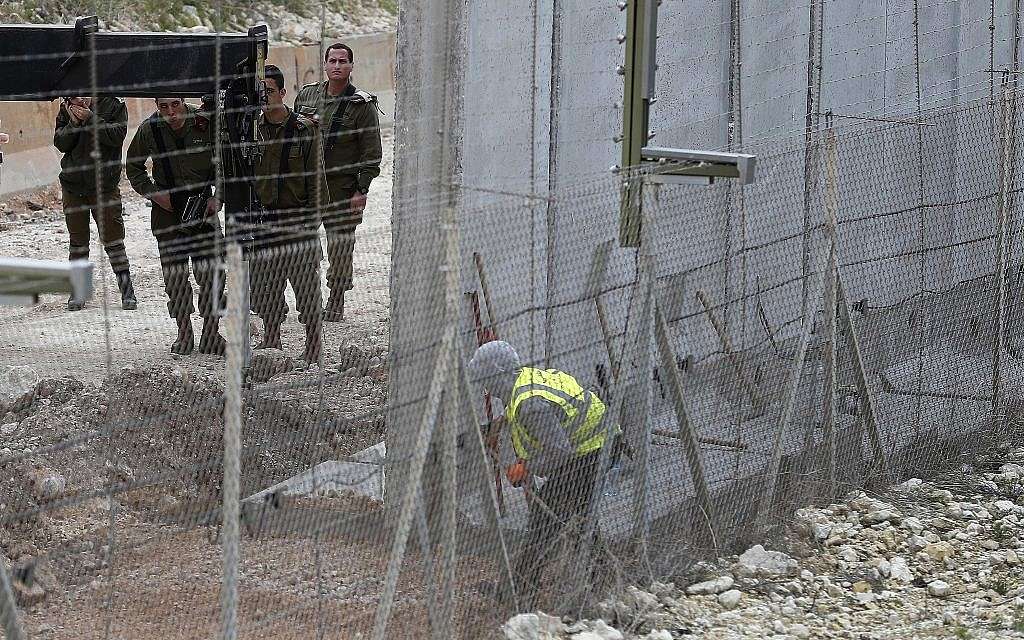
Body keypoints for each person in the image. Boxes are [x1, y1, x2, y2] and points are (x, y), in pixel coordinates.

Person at [468, 340, 615, 609]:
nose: (485, 388)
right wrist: (497, 428)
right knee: (580, 517)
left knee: (544, 522)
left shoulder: (529, 405)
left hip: (592, 451)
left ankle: (518, 591)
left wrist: (525, 468)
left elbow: (559, 452)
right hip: (598, 442)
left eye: (486, 379)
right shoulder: (524, 382)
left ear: (498, 373)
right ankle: (604, 579)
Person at [125, 96, 226, 355]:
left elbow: (224, 164)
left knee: (212, 275)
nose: (171, 112)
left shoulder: (204, 123)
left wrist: (218, 196)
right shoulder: (150, 129)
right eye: (164, 107)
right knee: (175, 278)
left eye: (175, 105)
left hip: (202, 209)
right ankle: (184, 333)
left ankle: (211, 333)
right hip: (168, 211)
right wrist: (153, 193)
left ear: (183, 101)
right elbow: (133, 167)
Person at [294, 42, 383, 322]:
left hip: (342, 189)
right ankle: (309, 301)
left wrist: (361, 189)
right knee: (303, 245)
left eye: (342, 61)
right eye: (332, 60)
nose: (337, 66)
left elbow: (371, 152)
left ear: (351, 66)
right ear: (325, 64)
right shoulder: (308, 95)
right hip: (309, 187)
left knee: (340, 248)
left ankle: (336, 299)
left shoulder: (361, 105)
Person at [250, 64, 325, 366]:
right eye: (260, 92)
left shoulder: (304, 130)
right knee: (265, 283)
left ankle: (314, 342)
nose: (264, 97)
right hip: (265, 221)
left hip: (297, 220)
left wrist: (310, 224)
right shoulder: (252, 131)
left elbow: (317, 182)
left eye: (269, 91)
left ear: (282, 93)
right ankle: (271, 336)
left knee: (306, 286)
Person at [53, 95, 136, 311]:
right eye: (76, 95)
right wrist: (73, 122)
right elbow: (60, 143)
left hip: (104, 186)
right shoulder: (67, 108)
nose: (81, 98)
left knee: (113, 240)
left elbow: (116, 136)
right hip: (74, 185)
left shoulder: (114, 105)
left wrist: (91, 118)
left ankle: (127, 292)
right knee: (78, 243)